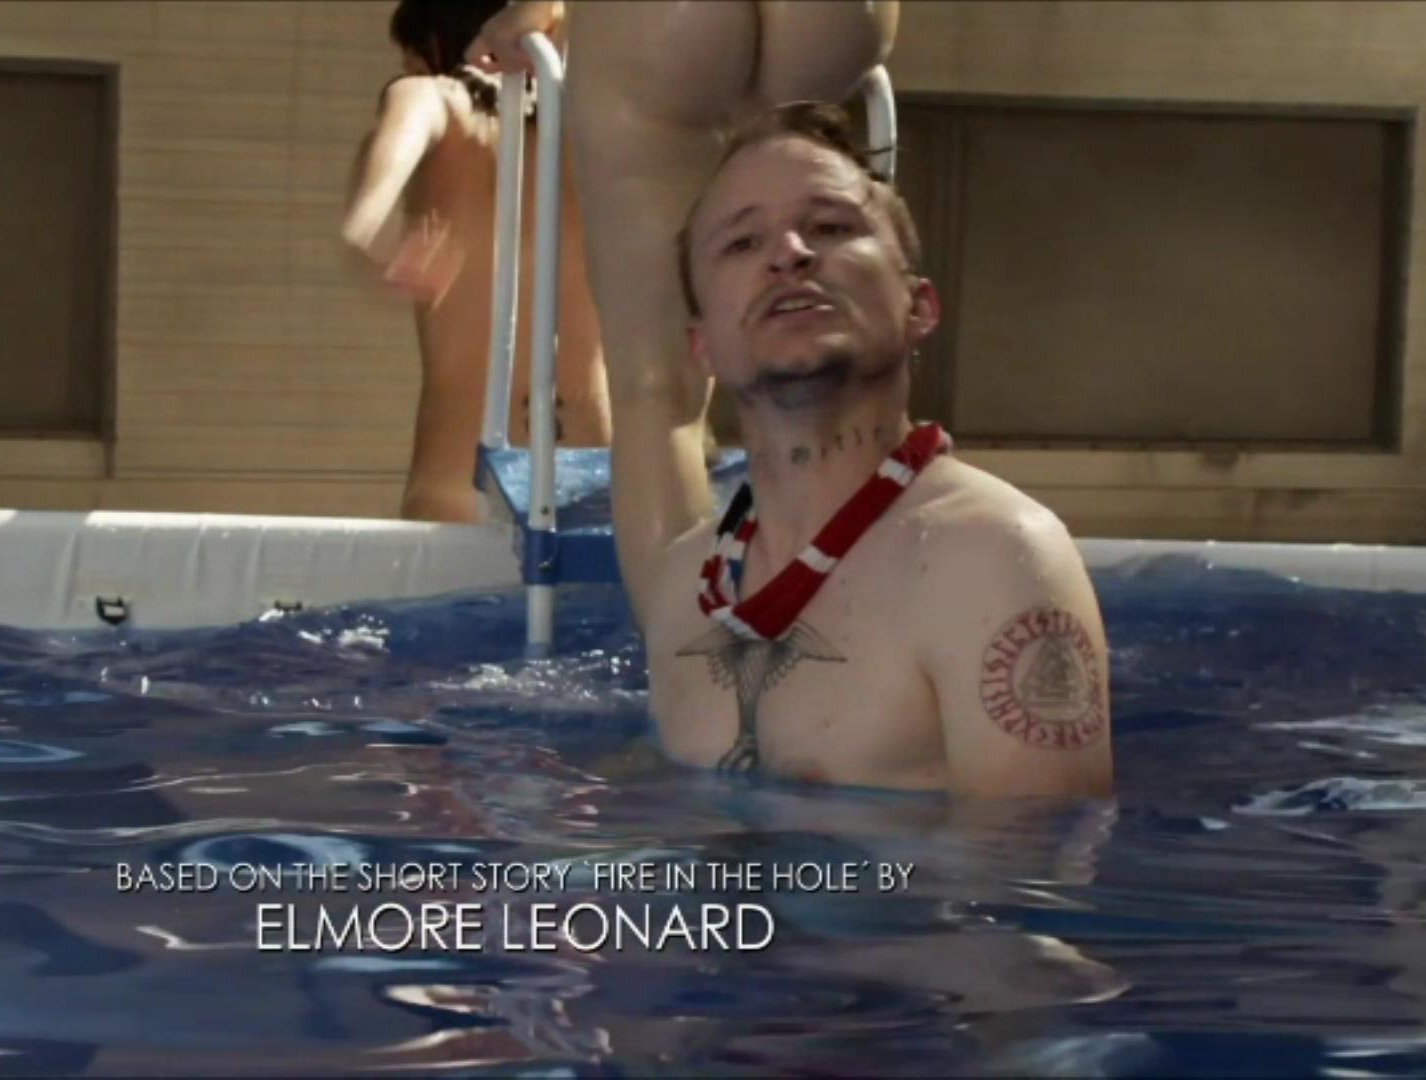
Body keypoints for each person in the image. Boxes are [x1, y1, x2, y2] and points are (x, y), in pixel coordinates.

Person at [469, 5, 1113, 797]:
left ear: (920, 307)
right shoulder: (686, 586)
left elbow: (1030, 871)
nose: (790, 254)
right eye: (743, 242)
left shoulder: (994, 559)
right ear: (702, 343)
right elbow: (648, 391)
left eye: (832, 227)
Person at [342, 0, 612, 524]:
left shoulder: (428, 96)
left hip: (461, 476)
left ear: (432, 50)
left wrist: (383, 237)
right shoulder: (598, 127)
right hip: (595, 469)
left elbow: (366, 218)